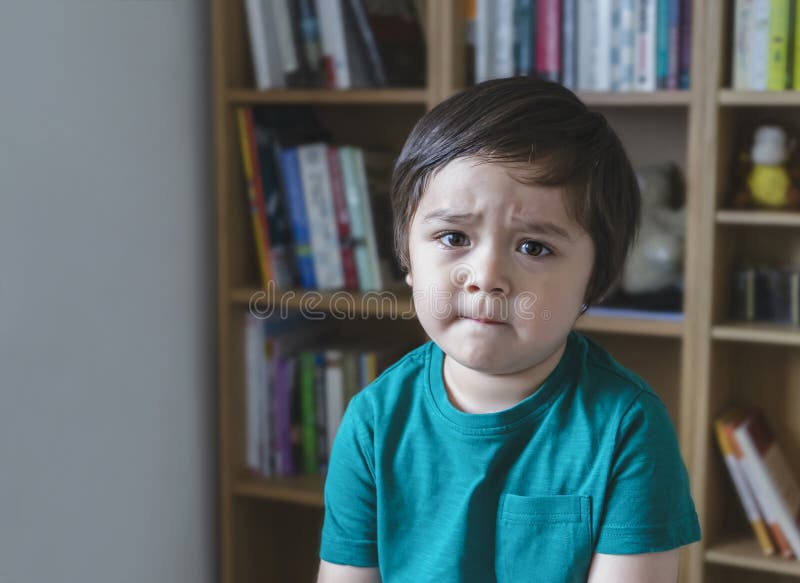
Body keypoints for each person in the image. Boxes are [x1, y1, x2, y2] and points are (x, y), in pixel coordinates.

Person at [316, 76, 701, 583]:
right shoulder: (372, 423)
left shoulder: (626, 427)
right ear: (406, 256)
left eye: (533, 248)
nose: (488, 277)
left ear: (596, 280)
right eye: (453, 236)